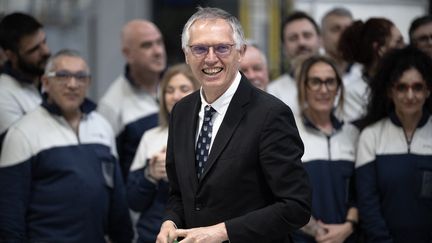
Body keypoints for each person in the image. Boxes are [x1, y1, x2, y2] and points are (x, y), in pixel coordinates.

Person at [156, 7, 312, 243]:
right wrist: (171, 221)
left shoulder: (270, 114)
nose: (210, 58)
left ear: (240, 52)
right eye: (199, 49)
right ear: (186, 55)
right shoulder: (181, 111)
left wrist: (222, 232)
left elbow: (296, 206)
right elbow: (179, 193)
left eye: (222, 48)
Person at [0, 49, 133, 242]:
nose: (72, 84)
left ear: (88, 83)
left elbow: (118, 206)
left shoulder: (102, 127)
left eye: (80, 77)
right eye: (62, 76)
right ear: (45, 82)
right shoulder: (22, 133)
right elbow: (9, 218)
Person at [355, 46, 432, 243]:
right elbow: (367, 203)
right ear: (390, 91)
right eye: (401, 87)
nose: (410, 95)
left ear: (428, 90)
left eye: (417, 87)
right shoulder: (371, 136)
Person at [127, 63, 200, 243]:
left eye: (184, 89)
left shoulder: (209, 135)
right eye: (169, 90)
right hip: (152, 234)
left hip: (196, 234)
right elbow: (133, 201)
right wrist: (150, 175)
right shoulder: (150, 138)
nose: (175, 96)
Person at [293, 55, 359, 243]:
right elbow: (282, 194)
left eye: (330, 82)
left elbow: (360, 193)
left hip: (347, 237)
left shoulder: (352, 134)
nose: (324, 89)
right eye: (315, 82)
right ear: (303, 87)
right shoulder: (289, 131)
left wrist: (348, 227)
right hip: (302, 237)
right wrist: (316, 231)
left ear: (338, 88)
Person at [98, 19, 167, 180]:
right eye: (147, 45)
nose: (158, 51)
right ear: (128, 54)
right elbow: (108, 169)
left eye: (159, 42)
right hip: (141, 198)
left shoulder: (181, 85)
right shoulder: (111, 105)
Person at [338, 17, 404, 123]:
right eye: (398, 42)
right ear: (379, 49)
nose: (405, 47)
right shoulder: (352, 92)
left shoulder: (408, 85)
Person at [0, 12, 51, 148]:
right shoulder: (4, 95)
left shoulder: (49, 80)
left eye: (44, 42)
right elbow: (25, 148)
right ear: (11, 55)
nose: (46, 51)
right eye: (35, 49)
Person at [268, 11, 321, 117]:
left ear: (320, 40)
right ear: (284, 47)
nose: (301, 42)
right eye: (293, 38)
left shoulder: (338, 85)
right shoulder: (273, 92)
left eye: (307, 35)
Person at [321, 7, 354, 76]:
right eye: (336, 29)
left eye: (348, 29)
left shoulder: (367, 76)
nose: (343, 34)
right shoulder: (309, 74)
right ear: (321, 38)